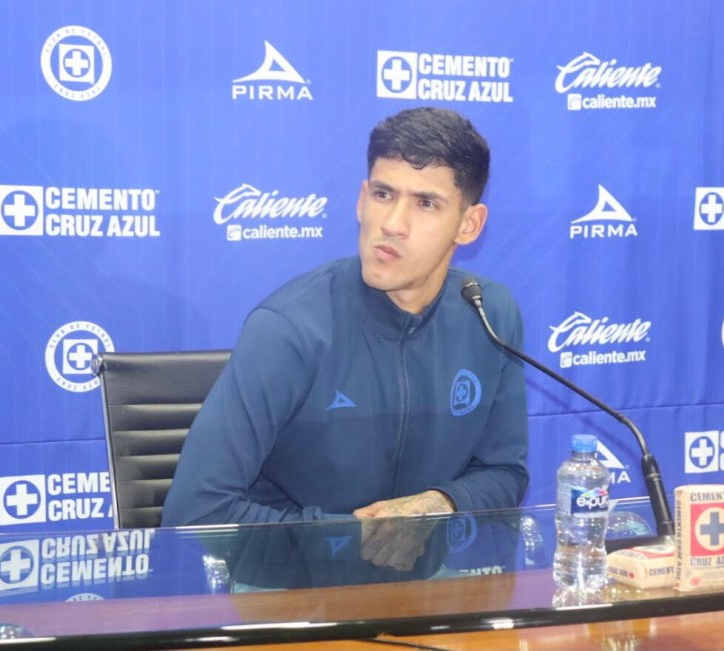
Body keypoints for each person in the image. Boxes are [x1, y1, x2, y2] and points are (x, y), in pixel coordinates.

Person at [161, 108, 529, 558]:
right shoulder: (289, 328)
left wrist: (438, 505)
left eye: (426, 203)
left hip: (429, 580)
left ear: (469, 224)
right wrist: (350, 543)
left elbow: (504, 473)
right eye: (383, 194)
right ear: (361, 200)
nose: (392, 224)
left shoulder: (489, 315)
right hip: (293, 584)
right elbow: (194, 513)